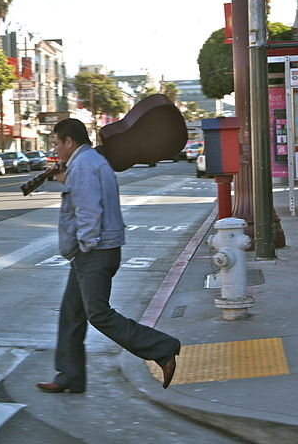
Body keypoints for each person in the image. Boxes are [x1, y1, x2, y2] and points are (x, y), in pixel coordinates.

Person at [37, 118, 181, 394]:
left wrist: (86, 245)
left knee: (98, 314)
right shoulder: (89, 162)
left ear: (69, 141)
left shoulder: (82, 166)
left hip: (94, 252)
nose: (57, 149)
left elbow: (88, 211)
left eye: (57, 143)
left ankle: (163, 347)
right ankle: (70, 376)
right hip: (97, 250)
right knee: (71, 313)